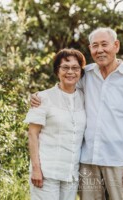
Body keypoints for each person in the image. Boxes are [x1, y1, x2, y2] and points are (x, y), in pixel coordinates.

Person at [31, 27, 123, 200]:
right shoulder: (86, 74)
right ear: (90, 49)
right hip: (87, 159)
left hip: (118, 159)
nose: (99, 50)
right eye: (95, 46)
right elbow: (64, 89)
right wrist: (37, 97)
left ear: (116, 45)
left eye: (104, 44)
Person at [24, 48, 87, 200]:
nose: (70, 72)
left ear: (80, 72)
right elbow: (32, 134)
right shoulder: (43, 98)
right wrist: (36, 169)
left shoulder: (85, 97)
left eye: (75, 68)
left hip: (70, 174)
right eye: (65, 67)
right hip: (46, 173)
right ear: (57, 71)